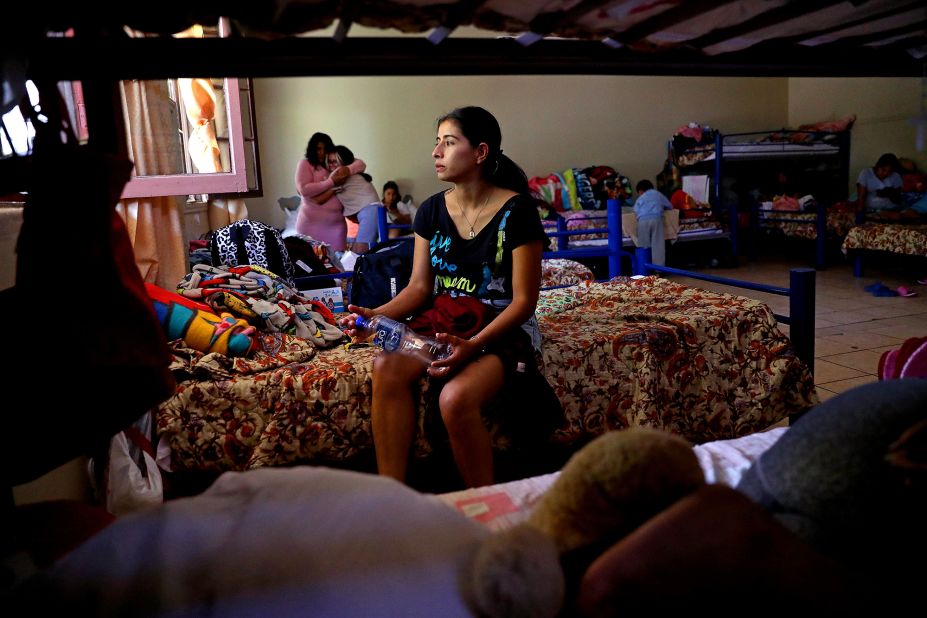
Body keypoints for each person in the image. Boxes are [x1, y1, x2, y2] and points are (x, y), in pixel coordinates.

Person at [340, 106, 563, 489]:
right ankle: (391, 495)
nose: (436, 152)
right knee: (386, 367)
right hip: (445, 320)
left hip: (499, 327)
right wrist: (373, 314)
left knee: (455, 399)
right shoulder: (430, 211)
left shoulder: (518, 211)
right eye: (437, 142)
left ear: (480, 152)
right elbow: (419, 289)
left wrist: (472, 345)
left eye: (449, 142)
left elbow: (524, 301)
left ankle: (485, 505)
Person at [294, 132, 365, 253]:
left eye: (325, 149)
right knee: (311, 264)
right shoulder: (305, 164)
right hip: (309, 225)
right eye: (318, 149)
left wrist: (346, 170)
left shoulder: (334, 162)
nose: (321, 153)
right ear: (312, 149)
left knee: (337, 266)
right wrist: (332, 182)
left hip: (336, 227)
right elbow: (304, 190)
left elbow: (361, 164)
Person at [328, 144, 381, 254]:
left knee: (359, 251)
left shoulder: (340, 175)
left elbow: (319, 191)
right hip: (363, 213)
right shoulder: (352, 171)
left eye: (334, 161)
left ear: (343, 162)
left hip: (369, 210)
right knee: (354, 251)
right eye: (329, 161)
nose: (331, 165)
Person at [632, 179, 673, 266]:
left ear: (641, 191)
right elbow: (670, 206)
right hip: (657, 219)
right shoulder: (657, 194)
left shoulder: (641, 197)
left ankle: (644, 268)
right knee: (658, 245)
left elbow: (635, 210)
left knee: (643, 245)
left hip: (642, 220)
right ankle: (659, 269)